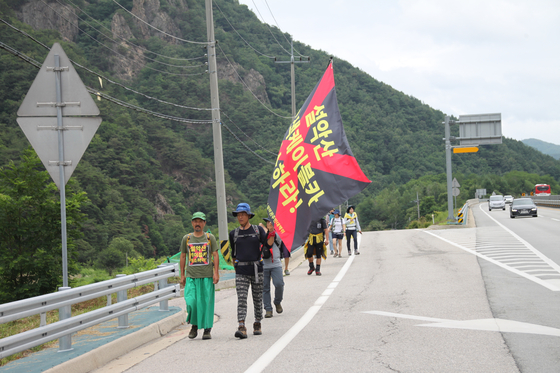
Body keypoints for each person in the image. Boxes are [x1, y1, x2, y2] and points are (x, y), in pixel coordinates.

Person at [229, 203, 272, 339]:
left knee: (257, 298)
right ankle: (241, 326)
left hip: (256, 269)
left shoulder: (258, 230)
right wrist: (236, 267)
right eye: (238, 215)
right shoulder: (234, 234)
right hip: (241, 270)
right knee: (241, 299)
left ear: (248, 216)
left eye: (243, 214)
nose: (240, 217)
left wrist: (271, 231)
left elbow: (268, 244)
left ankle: (257, 322)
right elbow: (233, 254)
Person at [180, 212, 219, 340]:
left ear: (204, 223)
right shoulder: (187, 238)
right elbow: (183, 256)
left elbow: (215, 255)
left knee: (206, 303)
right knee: (191, 302)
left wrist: (216, 272)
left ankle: (207, 329)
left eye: (200, 221)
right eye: (195, 221)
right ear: (192, 223)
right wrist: (182, 275)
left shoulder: (209, 238)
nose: (197, 223)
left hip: (206, 276)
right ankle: (194, 325)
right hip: (191, 276)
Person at [259, 218, 285, 318]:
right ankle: (268, 309)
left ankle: (277, 301)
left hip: (276, 264)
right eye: (267, 223)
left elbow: (272, 239)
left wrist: (269, 230)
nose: (268, 224)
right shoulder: (262, 235)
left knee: (279, 284)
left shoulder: (277, 234)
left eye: (270, 223)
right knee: (265, 287)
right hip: (264, 265)